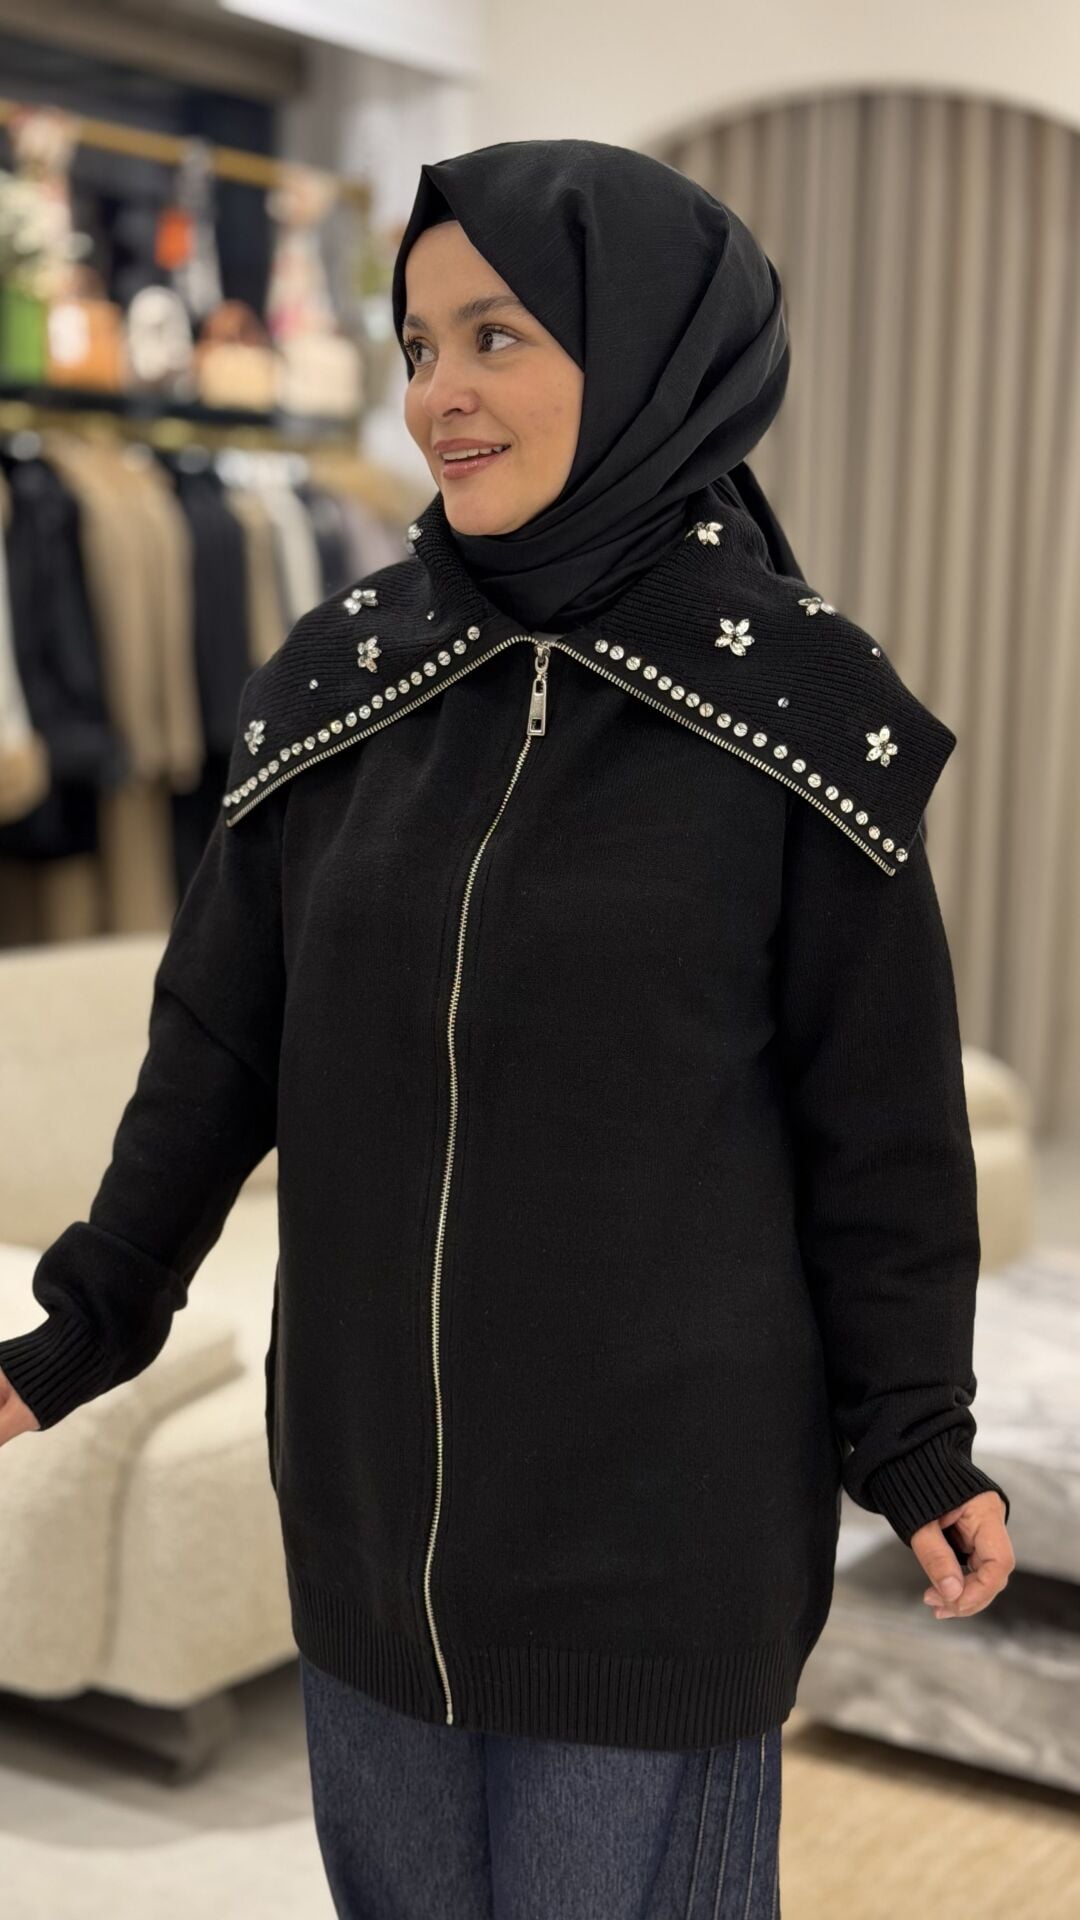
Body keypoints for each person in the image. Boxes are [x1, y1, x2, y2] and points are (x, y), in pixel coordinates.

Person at [0, 139, 1015, 1918]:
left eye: (497, 336)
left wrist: (915, 1429)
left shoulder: (796, 710)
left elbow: (885, 1137)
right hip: (369, 1519)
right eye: (415, 347)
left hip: (663, 1537)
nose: (436, 397)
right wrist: (76, 1329)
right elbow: (214, 1052)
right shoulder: (338, 679)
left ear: (649, 355)